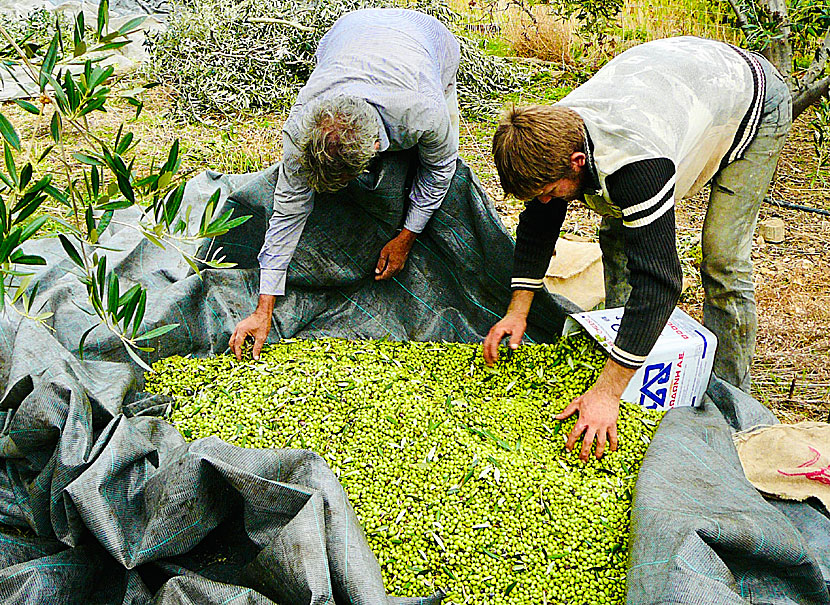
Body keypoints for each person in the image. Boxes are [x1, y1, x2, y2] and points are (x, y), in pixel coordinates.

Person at [483, 36, 792, 460]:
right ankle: (633, 366)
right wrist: (518, 311)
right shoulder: (550, 134)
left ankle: (731, 403)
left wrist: (607, 394)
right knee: (618, 233)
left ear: (576, 162)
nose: (547, 201)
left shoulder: (634, 162)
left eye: (552, 191)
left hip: (751, 100)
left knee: (722, 256)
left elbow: (662, 281)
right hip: (674, 86)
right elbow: (539, 221)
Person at [229, 8, 461, 360]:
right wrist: (264, 310)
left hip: (428, 41)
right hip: (349, 33)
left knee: (426, 165)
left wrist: (406, 237)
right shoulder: (301, 125)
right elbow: (288, 210)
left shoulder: (423, 112)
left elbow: (439, 170)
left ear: (375, 148)